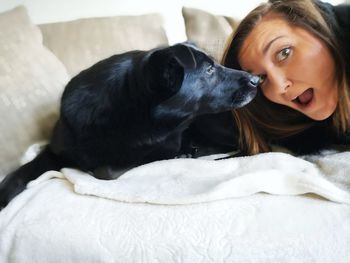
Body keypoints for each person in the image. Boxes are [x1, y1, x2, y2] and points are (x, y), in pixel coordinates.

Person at [216, 0, 350, 155]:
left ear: (319, 29)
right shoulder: (287, 125)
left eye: (284, 53)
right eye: (261, 78)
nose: (278, 86)